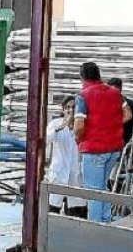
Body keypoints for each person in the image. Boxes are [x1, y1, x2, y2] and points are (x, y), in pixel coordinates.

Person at [74, 62, 124, 222]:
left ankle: (94, 227)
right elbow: (127, 113)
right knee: (103, 186)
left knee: (93, 191)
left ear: (82, 77)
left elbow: (79, 126)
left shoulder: (83, 96)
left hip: (94, 148)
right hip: (114, 148)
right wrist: (111, 125)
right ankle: (106, 219)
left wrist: (78, 138)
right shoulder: (115, 93)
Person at [44, 97, 86, 218]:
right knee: (52, 210)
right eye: (67, 108)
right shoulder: (55, 124)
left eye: (73, 107)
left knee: (76, 211)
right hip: (58, 173)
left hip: (75, 174)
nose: (70, 110)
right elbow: (45, 140)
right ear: (63, 110)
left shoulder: (82, 126)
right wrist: (61, 127)